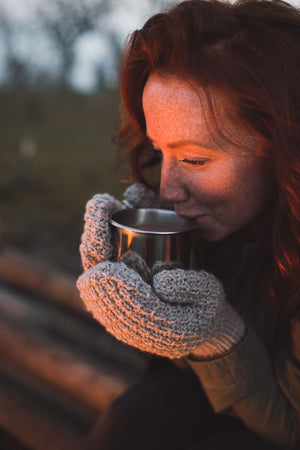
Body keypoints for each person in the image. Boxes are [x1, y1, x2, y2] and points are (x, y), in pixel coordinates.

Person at [76, 0, 300, 448]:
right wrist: (149, 289)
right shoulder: (226, 225)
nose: (169, 189)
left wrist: (218, 334)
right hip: (223, 403)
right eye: (161, 152)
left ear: (284, 148)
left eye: (194, 159)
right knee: (134, 417)